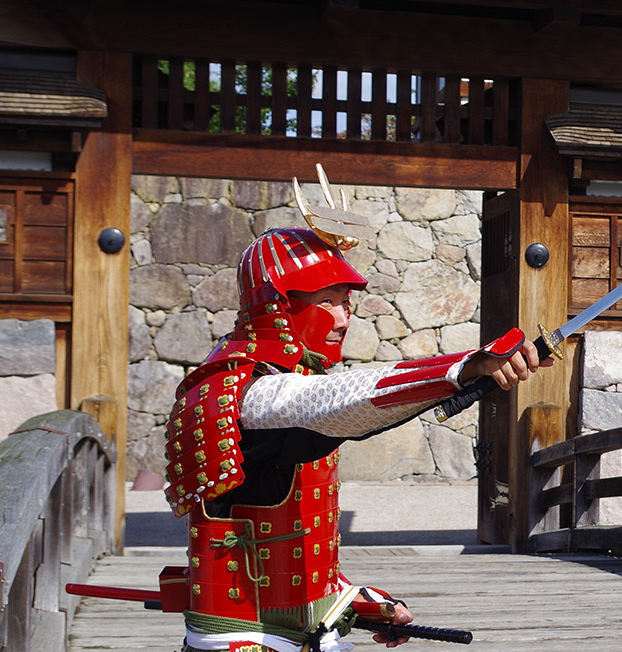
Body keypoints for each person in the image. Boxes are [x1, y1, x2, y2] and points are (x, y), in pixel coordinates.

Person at [162, 226, 552, 652]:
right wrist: (462, 368)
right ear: (277, 306)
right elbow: (331, 401)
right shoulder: (237, 393)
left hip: (304, 632)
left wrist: (365, 603)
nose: (344, 317)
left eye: (346, 301)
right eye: (326, 301)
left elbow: (299, 555)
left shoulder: (291, 387)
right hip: (244, 639)